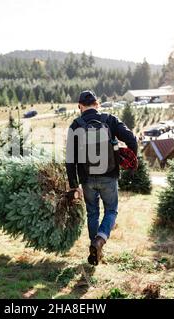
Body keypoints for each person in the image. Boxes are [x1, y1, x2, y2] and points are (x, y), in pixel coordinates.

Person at [66, 90, 138, 266]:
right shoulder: (109, 120)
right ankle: (99, 241)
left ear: (80, 107)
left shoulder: (76, 125)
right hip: (109, 176)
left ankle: (95, 251)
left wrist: (75, 185)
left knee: (92, 213)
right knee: (111, 211)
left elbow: (70, 159)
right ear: (97, 104)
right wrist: (129, 160)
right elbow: (132, 140)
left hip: (87, 179)